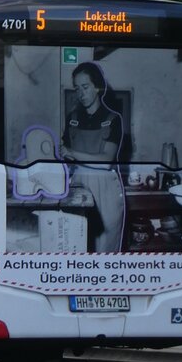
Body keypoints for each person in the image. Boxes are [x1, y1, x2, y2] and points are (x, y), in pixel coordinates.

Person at [62, 62, 126, 252]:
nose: (81, 93)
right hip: (78, 183)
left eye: (85, 87)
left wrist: (71, 153)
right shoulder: (72, 118)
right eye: (77, 88)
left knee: (105, 248)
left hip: (105, 188)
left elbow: (107, 160)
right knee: (76, 244)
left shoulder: (113, 119)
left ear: (97, 87)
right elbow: (65, 156)